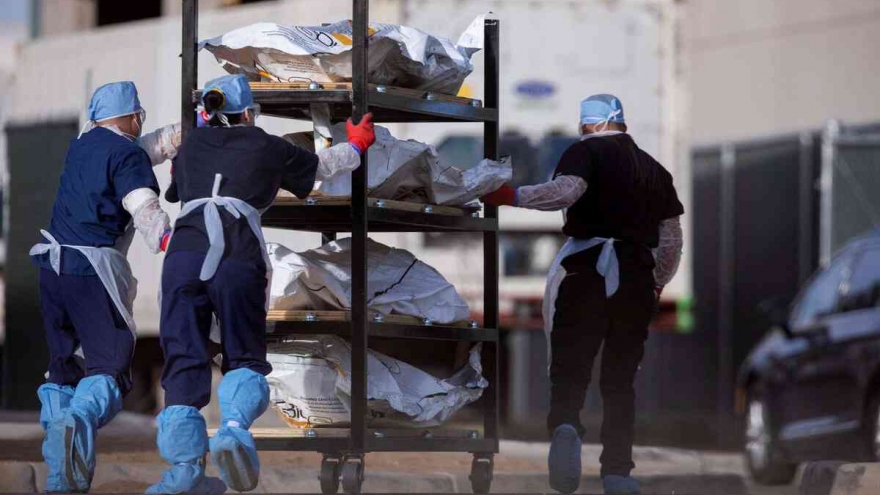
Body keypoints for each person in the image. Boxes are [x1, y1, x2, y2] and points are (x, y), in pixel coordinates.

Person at [147, 74, 376, 494]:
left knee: (184, 356)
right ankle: (233, 431)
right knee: (244, 355)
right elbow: (322, 167)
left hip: (183, 256)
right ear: (248, 113)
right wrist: (357, 145)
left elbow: (179, 190)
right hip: (235, 255)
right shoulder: (266, 144)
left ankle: (183, 471)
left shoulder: (191, 144)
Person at [482, 94, 684, 495]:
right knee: (620, 380)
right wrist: (657, 282)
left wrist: (512, 196)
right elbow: (672, 240)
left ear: (590, 124)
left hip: (585, 272)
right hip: (635, 278)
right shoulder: (656, 171)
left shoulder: (584, 152)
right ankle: (618, 473)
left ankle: (566, 426)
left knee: (570, 368)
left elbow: (565, 192)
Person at [29, 81, 181, 493]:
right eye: (138, 117)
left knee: (64, 371)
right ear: (131, 117)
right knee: (109, 368)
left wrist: (179, 135)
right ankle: (78, 421)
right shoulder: (126, 155)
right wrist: (170, 240)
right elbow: (141, 203)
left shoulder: (82, 146)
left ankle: (62, 478)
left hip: (52, 269)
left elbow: (133, 152)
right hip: (89, 273)